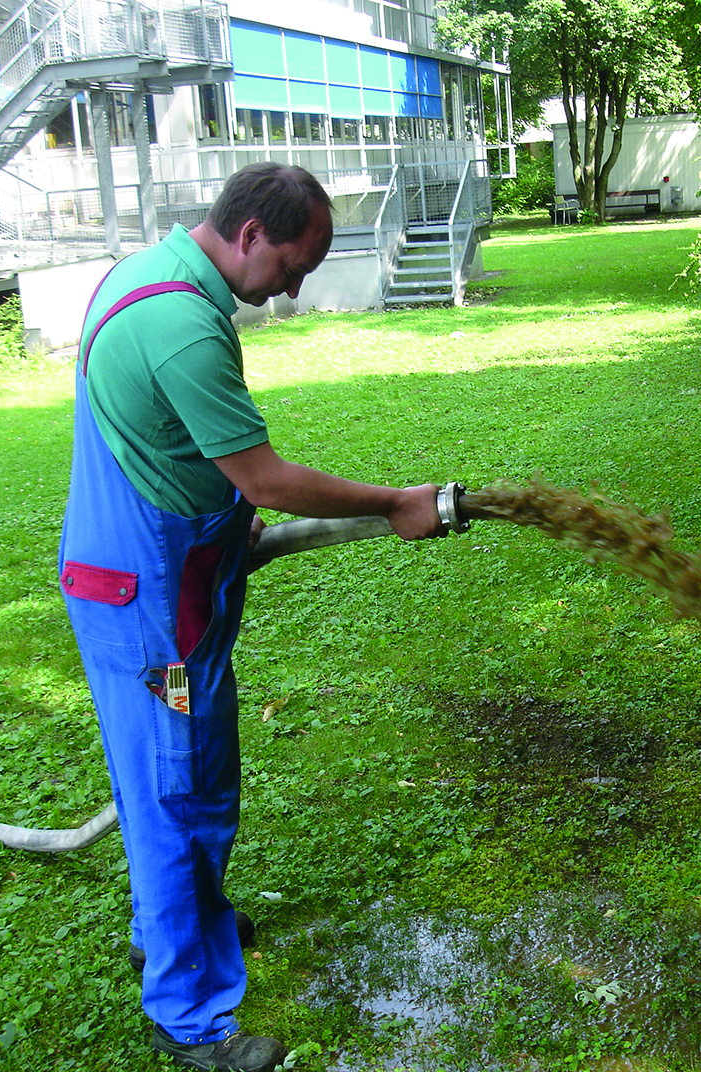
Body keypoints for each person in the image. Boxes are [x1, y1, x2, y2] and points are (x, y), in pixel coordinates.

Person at [58, 162, 442, 1071]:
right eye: (293, 267)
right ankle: (187, 1011)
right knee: (174, 787)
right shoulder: (180, 325)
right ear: (248, 236)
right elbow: (262, 473)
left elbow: (177, 445)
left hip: (156, 571)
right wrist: (392, 501)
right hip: (148, 596)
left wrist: (226, 513)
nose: (293, 290)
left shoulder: (150, 273)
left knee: (180, 776)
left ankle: (180, 928)